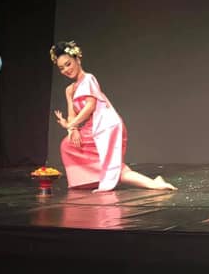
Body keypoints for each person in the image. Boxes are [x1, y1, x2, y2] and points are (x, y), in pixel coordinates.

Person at [51, 40, 176, 192]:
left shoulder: (88, 79)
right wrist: (73, 129)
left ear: (77, 59)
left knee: (111, 165)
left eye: (68, 64)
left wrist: (71, 125)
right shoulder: (69, 89)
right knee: (68, 145)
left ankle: (153, 184)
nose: (66, 70)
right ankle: (152, 182)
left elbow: (90, 106)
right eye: (61, 68)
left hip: (106, 126)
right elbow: (72, 114)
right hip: (93, 127)